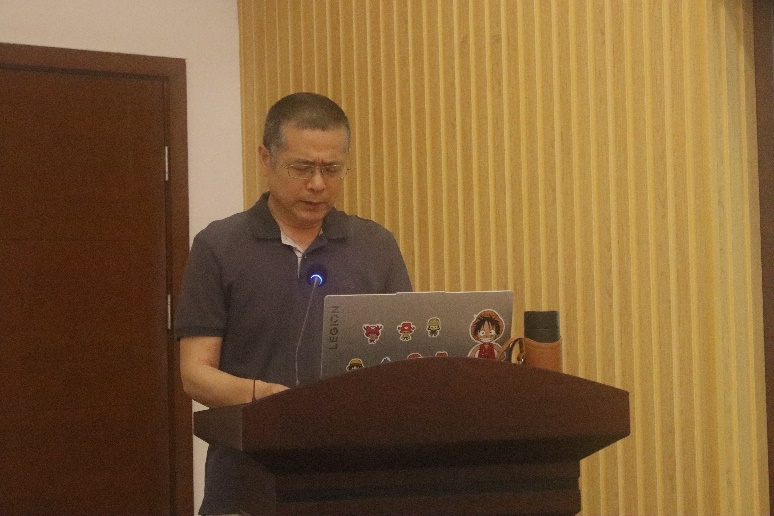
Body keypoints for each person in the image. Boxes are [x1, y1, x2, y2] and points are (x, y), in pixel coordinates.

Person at [174, 92, 412, 515]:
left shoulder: (376, 246)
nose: (318, 184)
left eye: (331, 169)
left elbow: (404, 359)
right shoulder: (219, 246)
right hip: (247, 477)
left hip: (355, 476)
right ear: (266, 160)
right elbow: (195, 374)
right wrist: (270, 398)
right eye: (302, 168)